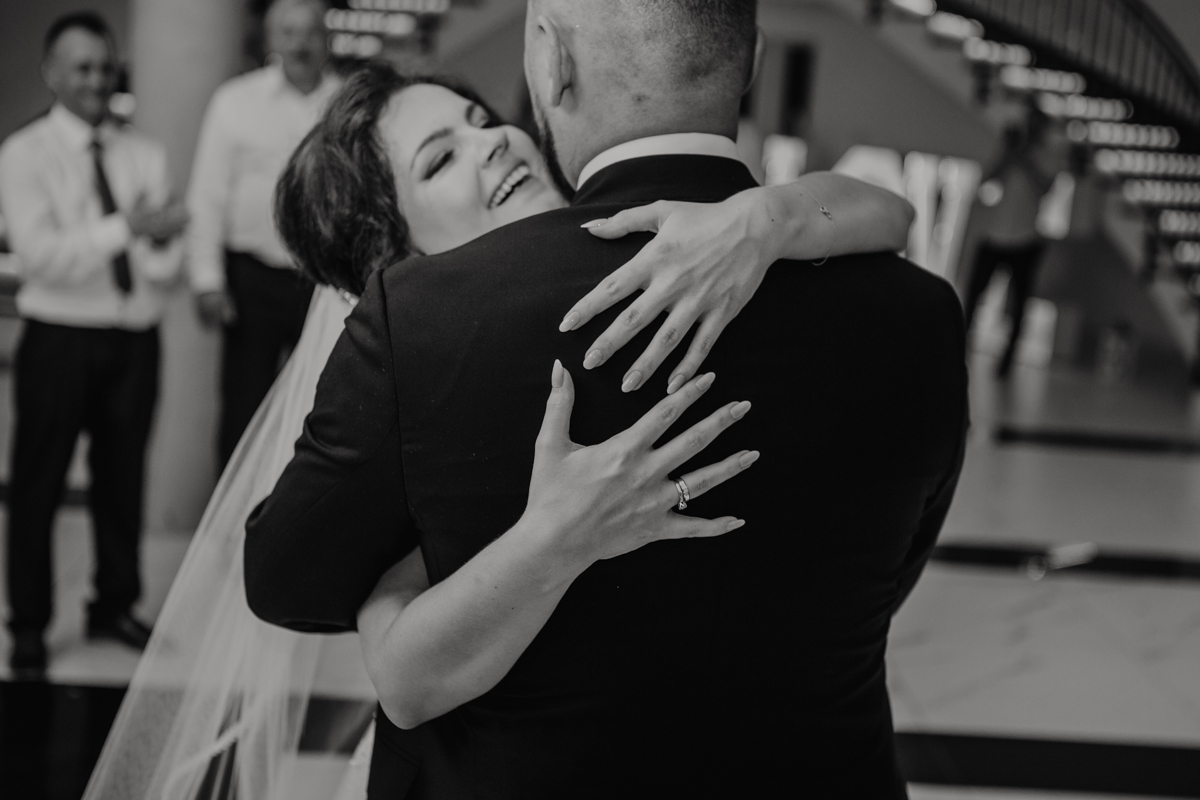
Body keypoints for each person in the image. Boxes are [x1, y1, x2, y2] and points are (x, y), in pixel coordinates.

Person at [83, 61, 916, 799]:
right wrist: (551, 536)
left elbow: (889, 212)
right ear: (395, 254)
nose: (490, 143)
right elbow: (330, 616)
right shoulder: (418, 363)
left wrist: (765, 218)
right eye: (439, 159)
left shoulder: (672, 244)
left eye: (481, 120)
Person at [0, 11, 188, 679]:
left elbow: (165, 267)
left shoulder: (146, 153)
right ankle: (28, 624)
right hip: (58, 338)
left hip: (134, 338)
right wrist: (127, 228)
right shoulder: (24, 155)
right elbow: (40, 257)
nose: (96, 79)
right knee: (38, 484)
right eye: (82, 67)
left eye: (106, 67)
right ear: (51, 73)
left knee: (122, 481)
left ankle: (113, 604)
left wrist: (161, 244)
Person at [187, 0, 340, 469]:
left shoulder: (347, 102)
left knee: (323, 407)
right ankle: (233, 515)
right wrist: (207, 280)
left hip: (326, 281)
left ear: (327, 40)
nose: (300, 43)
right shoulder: (235, 101)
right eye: (288, 32)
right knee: (243, 409)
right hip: (251, 280)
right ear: (271, 40)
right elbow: (208, 194)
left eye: (310, 32)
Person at [962, 115, 1057, 378]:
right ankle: (961, 345)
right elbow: (987, 181)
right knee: (974, 295)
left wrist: (1024, 159)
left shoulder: (1047, 157)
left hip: (1025, 240)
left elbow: (1045, 189)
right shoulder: (1006, 152)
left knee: (1018, 304)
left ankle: (1007, 360)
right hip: (994, 235)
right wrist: (1008, 154)